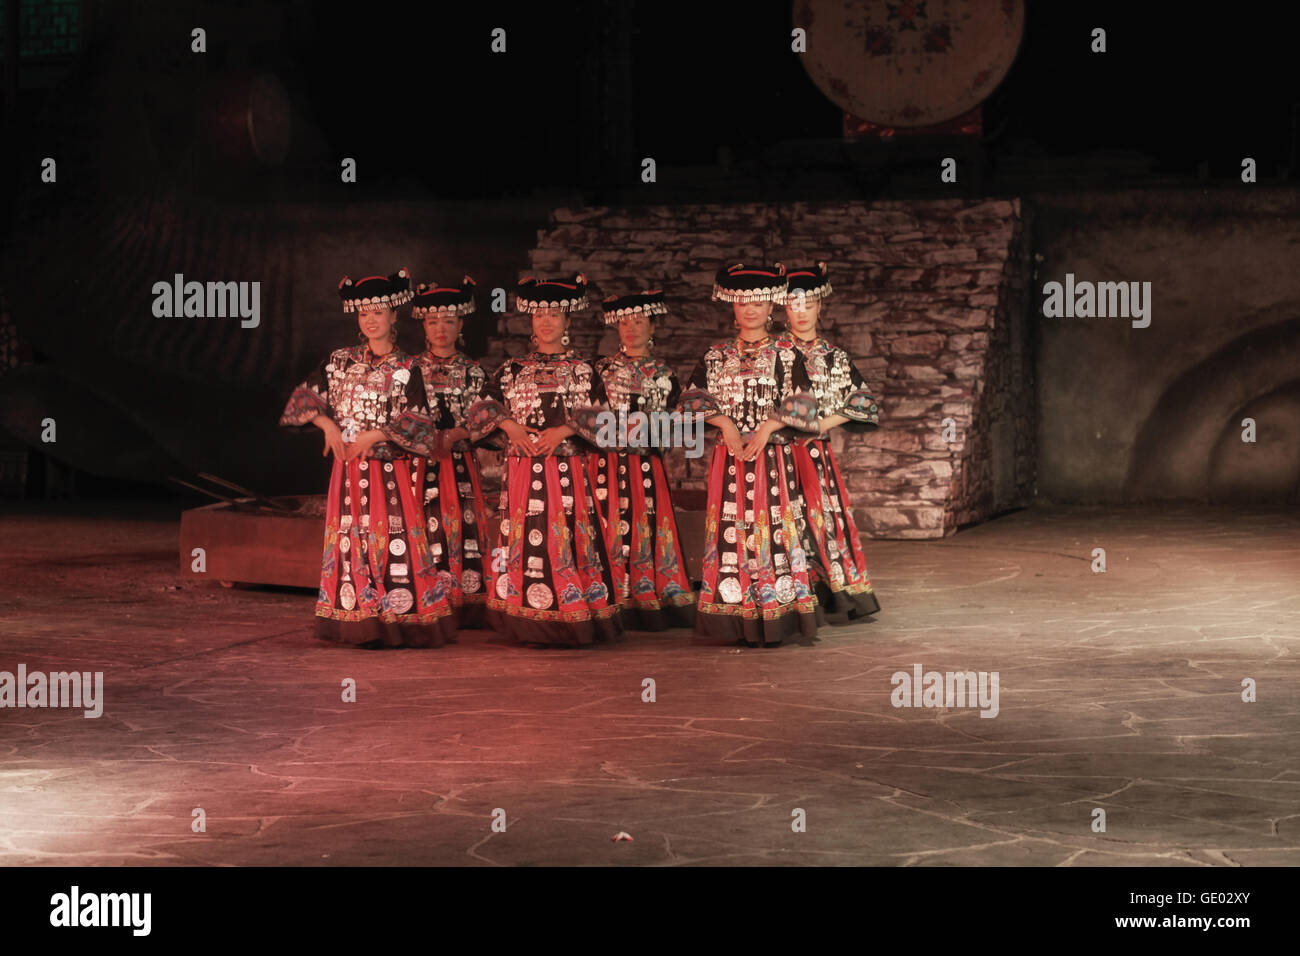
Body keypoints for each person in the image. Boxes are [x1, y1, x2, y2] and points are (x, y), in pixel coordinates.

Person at [279, 269, 455, 647]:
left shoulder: (407, 368)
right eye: (364, 313)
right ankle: (357, 617)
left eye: (378, 312)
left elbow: (421, 422)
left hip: (389, 472)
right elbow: (301, 400)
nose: (371, 320)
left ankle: (396, 619)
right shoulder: (340, 361)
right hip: (348, 471)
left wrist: (377, 434)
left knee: (393, 540)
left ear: (393, 316)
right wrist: (327, 425)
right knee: (350, 540)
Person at [465, 274, 624, 646]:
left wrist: (564, 431)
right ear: (531, 320)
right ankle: (525, 619)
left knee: (565, 538)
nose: (546, 321)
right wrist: (510, 426)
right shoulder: (511, 369)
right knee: (525, 542)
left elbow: (606, 419)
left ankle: (573, 616)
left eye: (554, 314)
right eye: (539, 315)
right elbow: (479, 410)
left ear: (567, 320)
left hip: (566, 470)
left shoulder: (584, 370)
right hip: (522, 471)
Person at [678, 262, 822, 646]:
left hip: (772, 458)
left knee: (774, 530)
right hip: (730, 459)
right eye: (743, 303)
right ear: (733, 306)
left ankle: (777, 613)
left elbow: (806, 403)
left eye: (758, 302)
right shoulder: (716, 355)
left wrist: (769, 427)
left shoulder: (787, 353)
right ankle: (732, 614)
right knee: (730, 531)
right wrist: (725, 424)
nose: (750, 310)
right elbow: (690, 400)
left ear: (771, 306)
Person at [589, 291, 696, 630]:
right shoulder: (600, 370)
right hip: (606, 464)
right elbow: (585, 418)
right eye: (624, 323)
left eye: (638, 322)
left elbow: (681, 426)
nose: (631, 329)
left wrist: (651, 429)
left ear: (653, 327)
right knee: (608, 525)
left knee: (646, 525)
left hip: (646, 464)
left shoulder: (664, 373)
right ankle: (610, 595)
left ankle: (648, 592)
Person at [782, 262, 882, 620]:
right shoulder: (773, 352)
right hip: (777, 451)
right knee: (785, 522)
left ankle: (834, 592)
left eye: (808, 305)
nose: (801, 312)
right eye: (794, 305)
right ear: (783, 308)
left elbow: (863, 401)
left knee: (822, 519)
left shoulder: (833, 356)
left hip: (814, 452)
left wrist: (821, 423)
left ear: (820, 306)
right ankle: (792, 596)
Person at [412, 276, 493, 629]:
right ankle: (423, 598)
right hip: (417, 462)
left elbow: (489, 419)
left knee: (461, 525)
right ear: (423, 326)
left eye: (448, 321)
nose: (440, 329)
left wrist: (458, 433)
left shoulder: (475, 372)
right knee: (419, 525)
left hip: (457, 464)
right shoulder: (409, 370)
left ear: (461, 324)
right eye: (432, 322)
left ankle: (462, 603)